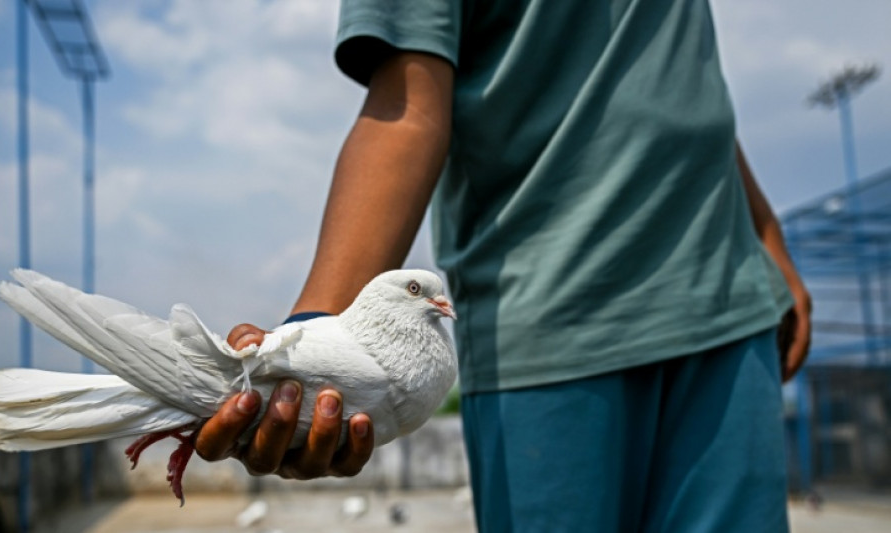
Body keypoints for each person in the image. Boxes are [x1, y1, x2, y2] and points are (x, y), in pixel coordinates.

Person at [193, 0, 812, 530]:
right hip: (553, 324)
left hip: (729, 303)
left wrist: (764, 229)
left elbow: (679, 73)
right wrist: (314, 340)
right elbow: (407, 108)